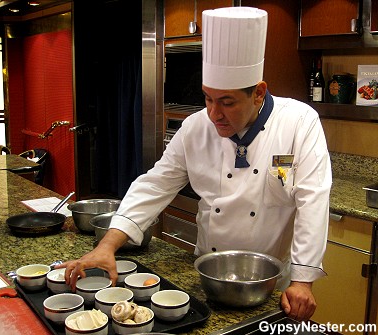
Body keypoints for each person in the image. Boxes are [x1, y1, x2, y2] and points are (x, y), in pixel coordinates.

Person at [57, 7, 332, 322]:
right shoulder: (196, 127)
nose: (214, 114)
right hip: (207, 274)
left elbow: (313, 199)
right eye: (208, 99)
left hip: (268, 285)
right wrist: (108, 246)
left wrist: (302, 281)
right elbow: (156, 184)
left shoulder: (298, 122)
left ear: (258, 93)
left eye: (227, 102)